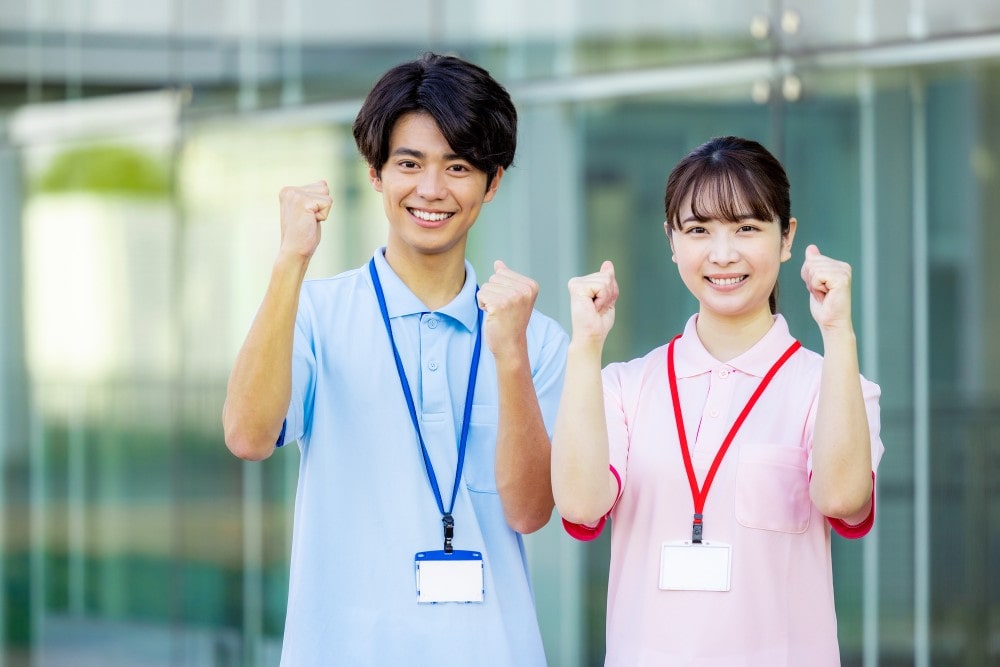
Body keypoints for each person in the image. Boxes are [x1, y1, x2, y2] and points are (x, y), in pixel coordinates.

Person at [222, 52, 567, 666]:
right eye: (410, 163)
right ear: (377, 173)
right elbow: (248, 435)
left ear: (493, 182)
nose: (431, 190)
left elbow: (531, 511)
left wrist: (508, 356)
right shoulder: (314, 315)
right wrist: (290, 261)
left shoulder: (533, 339)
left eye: (458, 167)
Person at [551, 135, 884, 666]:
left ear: (787, 237)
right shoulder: (622, 387)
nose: (722, 254)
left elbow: (845, 501)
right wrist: (585, 344)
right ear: (671, 240)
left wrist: (839, 332)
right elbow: (578, 507)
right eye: (699, 230)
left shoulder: (834, 386)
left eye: (747, 228)